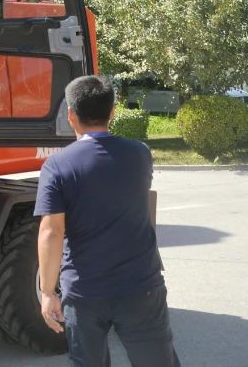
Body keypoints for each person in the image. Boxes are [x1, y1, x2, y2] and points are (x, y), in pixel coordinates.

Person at [36, 75, 179, 366]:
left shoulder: (57, 166)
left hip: (84, 291)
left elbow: (51, 232)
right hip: (141, 285)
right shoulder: (140, 154)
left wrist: (48, 292)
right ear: (112, 113)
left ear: (71, 116)